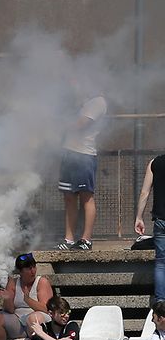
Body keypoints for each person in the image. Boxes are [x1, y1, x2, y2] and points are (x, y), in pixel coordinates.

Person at [57, 93, 107, 251]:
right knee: (69, 197)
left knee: (86, 197)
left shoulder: (97, 102)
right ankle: (69, 239)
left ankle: (86, 240)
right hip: (68, 153)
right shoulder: (79, 100)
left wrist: (58, 124)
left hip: (84, 155)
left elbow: (80, 124)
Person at [0, 253, 54, 340]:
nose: (33, 271)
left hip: (39, 320)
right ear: (21, 271)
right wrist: (8, 299)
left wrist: (28, 300)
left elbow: (46, 308)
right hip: (19, 322)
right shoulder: (13, 283)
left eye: (34, 267)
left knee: (33, 318)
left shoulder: (42, 282)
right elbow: (10, 310)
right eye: (28, 268)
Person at [134, 154, 165, 304]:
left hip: (160, 220)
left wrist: (139, 217)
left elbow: (144, 192)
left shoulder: (154, 163)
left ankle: (160, 302)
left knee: (161, 263)